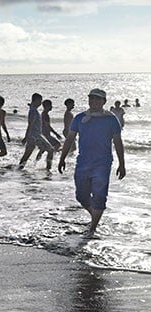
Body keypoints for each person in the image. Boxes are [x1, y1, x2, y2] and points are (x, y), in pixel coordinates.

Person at [57, 88, 125, 238]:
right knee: (81, 196)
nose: (94, 101)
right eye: (92, 98)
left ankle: (92, 229)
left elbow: (118, 142)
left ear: (104, 102)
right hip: (83, 162)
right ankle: (95, 216)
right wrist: (62, 158)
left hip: (103, 163)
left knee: (100, 196)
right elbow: (69, 139)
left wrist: (122, 164)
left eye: (98, 99)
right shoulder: (80, 118)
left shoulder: (111, 119)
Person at [18, 93, 55, 169]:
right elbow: (30, 124)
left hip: (33, 135)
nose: (41, 103)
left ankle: (20, 168)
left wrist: (27, 136)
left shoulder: (33, 110)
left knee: (28, 153)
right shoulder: (33, 111)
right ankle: (48, 169)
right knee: (50, 149)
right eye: (40, 100)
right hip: (36, 135)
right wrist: (26, 136)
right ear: (36, 100)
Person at [35, 99, 62, 169]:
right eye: (50, 105)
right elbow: (48, 126)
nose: (51, 107)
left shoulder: (43, 114)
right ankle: (48, 164)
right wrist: (56, 134)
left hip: (44, 135)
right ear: (46, 106)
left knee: (43, 150)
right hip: (46, 135)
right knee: (57, 144)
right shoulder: (45, 115)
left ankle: (35, 163)